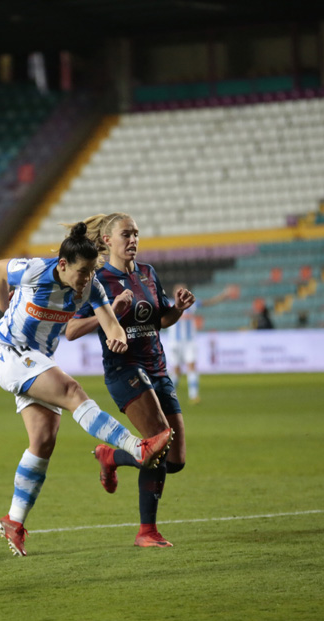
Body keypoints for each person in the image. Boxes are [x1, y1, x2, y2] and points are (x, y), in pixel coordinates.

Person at [0, 222, 173, 556]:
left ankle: (14, 520)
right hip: (10, 352)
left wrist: (118, 338)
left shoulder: (91, 287)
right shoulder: (34, 271)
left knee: (43, 441)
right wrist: (4, 306)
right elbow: (0, 268)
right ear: (62, 265)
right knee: (73, 391)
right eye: (82, 272)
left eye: (91, 272)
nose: (87, 279)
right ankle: (136, 447)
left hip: (38, 359)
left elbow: (111, 325)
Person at [65, 213, 194, 548]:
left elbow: (160, 320)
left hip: (158, 369)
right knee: (158, 441)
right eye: (126, 234)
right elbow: (71, 330)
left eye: (136, 233)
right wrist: (108, 310)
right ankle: (146, 532)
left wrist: (178, 309)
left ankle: (111, 457)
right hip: (124, 370)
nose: (133, 239)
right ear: (107, 240)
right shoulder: (97, 281)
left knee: (175, 460)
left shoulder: (148, 273)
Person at [161, 282, 234, 404]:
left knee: (191, 366)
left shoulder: (191, 304)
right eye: (178, 291)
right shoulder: (169, 304)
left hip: (189, 341)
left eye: (183, 290)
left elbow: (208, 302)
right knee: (176, 370)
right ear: (174, 293)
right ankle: (170, 395)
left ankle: (194, 395)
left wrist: (223, 295)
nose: (181, 293)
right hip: (174, 342)